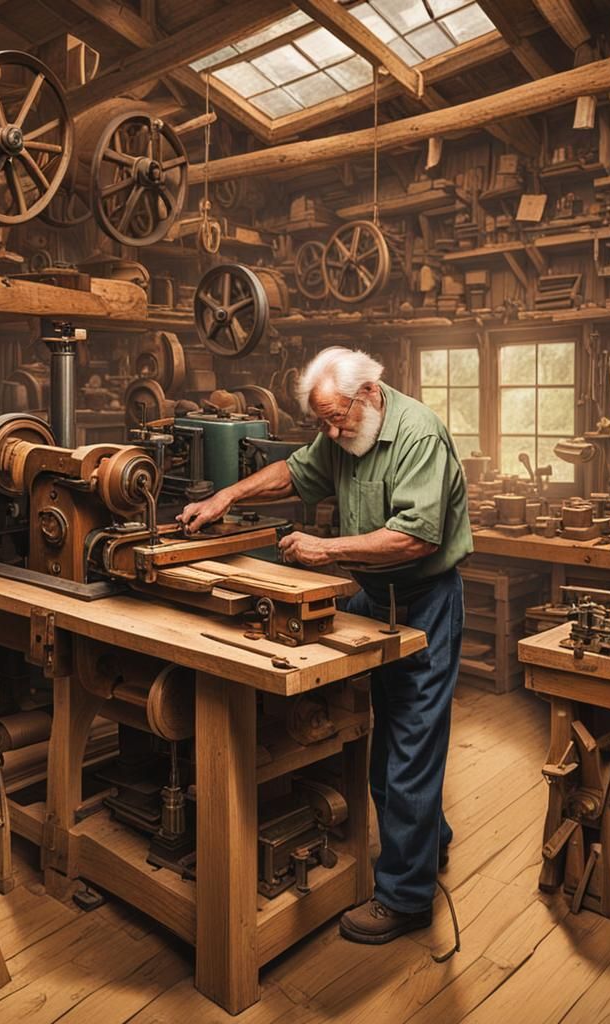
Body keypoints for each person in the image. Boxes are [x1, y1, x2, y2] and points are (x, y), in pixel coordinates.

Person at [178, 347, 472, 945]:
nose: (332, 433)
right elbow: (294, 472)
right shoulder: (343, 433)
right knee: (380, 729)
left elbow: (417, 539)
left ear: (370, 394)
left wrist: (326, 549)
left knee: (408, 747)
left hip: (424, 600)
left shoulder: (418, 436)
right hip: (375, 595)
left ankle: (407, 898)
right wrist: (226, 497)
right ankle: (426, 841)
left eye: (337, 418)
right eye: (323, 422)